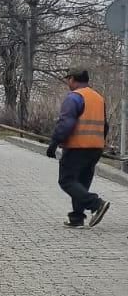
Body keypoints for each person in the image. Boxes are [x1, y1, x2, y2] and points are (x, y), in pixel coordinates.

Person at [46, 68, 110, 228]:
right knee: (81, 182)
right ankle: (77, 218)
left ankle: (96, 204)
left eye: (68, 79)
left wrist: (53, 144)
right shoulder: (98, 98)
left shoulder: (74, 97)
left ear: (73, 79)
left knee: (66, 181)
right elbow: (105, 125)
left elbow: (66, 123)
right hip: (95, 147)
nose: (68, 83)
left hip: (77, 147)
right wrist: (98, 141)